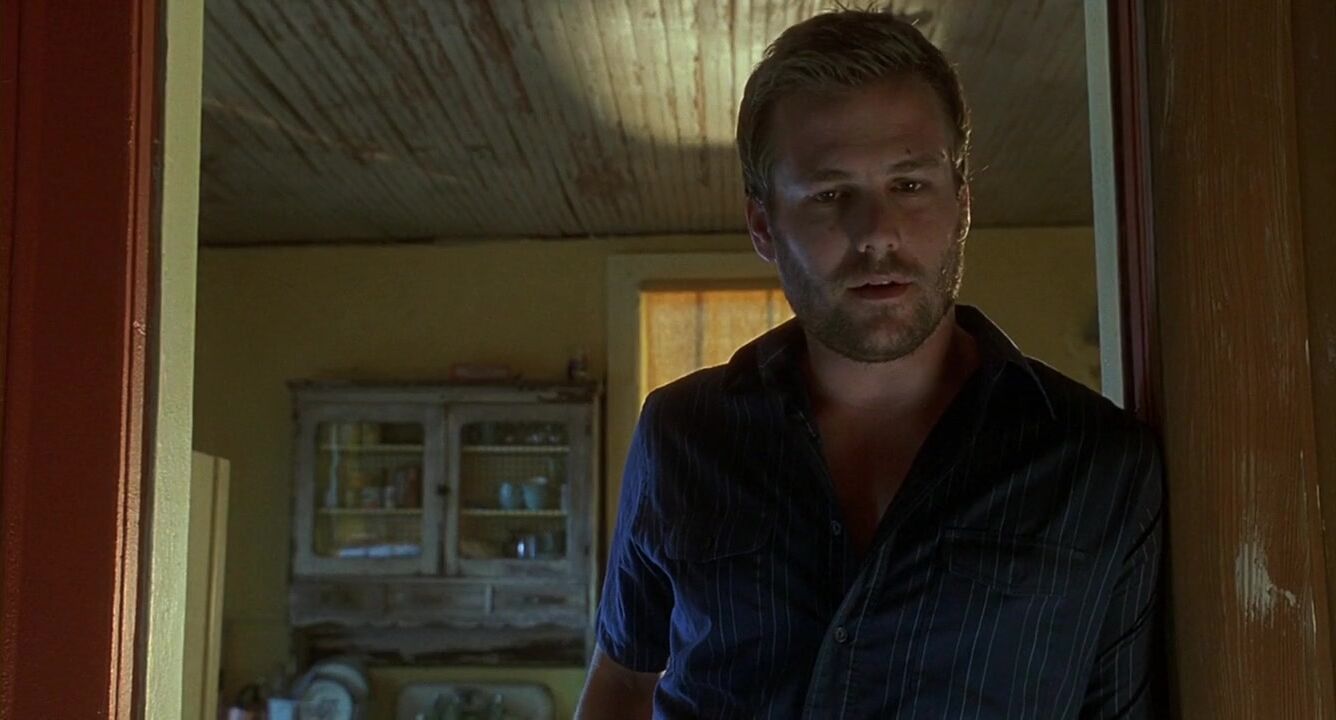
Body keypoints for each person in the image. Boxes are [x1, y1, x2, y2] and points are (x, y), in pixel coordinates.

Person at [576, 9, 1163, 719]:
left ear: (962, 204)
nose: (877, 234)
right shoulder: (682, 433)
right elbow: (622, 678)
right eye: (830, 195)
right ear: (764, 225)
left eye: (909, 185)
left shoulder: (1099, 463)